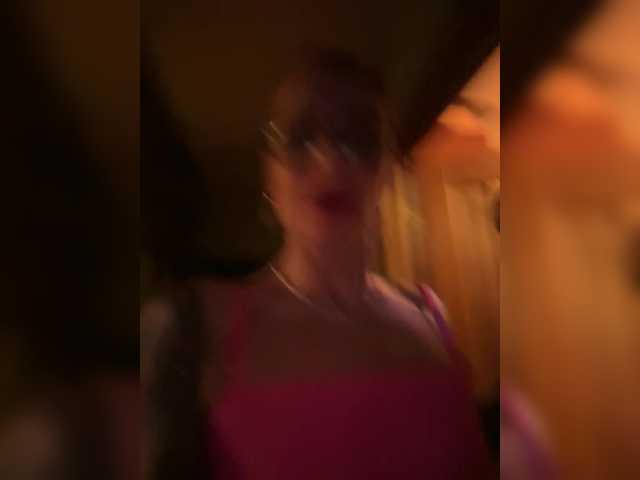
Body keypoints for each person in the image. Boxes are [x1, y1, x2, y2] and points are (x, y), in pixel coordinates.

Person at [145, 48, 492, 479]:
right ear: (270, 175)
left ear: (387, 170)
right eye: (300, 137)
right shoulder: (192, 325)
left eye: (360, 137)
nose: (330, 159)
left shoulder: (431, 314)